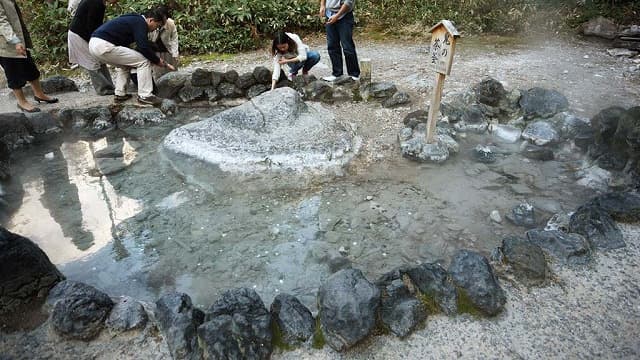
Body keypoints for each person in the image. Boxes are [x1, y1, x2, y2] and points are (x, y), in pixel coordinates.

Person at [89, 8, 174, 106]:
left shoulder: (133, 19)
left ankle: (120, 94)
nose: (156, 29)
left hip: (94, 44)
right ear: (151, 20)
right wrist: (157, 61)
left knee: (125, 64)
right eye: (157, 26)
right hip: (104, 45)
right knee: (144, 61)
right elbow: (143, 47)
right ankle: (145, 96)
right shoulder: (140, 22)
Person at [0, 0, 58, 112]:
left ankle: (39, 94)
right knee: (13, 72)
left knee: (29, 66)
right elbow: (1, 21)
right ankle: (22, 102)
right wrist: (14, 40)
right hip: (5, 42)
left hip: (18, 38)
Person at [68, 0, 118, 95]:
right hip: (79, 35)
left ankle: (109, 87)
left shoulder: (99, 2)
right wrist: (97, 40)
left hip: (86, 33)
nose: (115, 2)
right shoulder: (96, 3)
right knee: (92, 62)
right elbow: (91, 24)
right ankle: (103, 89)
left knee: (100, 60)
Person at [319, 0, 360, 82]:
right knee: (332, 46)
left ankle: (354, 74)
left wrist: (337, 16)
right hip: (329, 14)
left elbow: (348, 3)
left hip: (344, 16)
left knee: (347, 46)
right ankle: (337, 74)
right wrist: (322, 5)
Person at [149, 4, 178, 81]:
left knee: (173, 73)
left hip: (168, 50)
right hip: (156, 51)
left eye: (165, 18)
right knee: (158, 74)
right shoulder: (151, 23)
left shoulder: (170, 23)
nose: (164, 21)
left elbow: (174, 38)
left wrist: (175, 53)